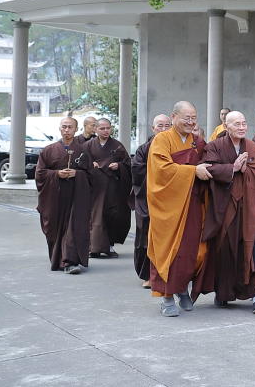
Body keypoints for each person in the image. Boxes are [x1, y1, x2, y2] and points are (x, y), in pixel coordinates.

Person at [196, 111, 255, 314]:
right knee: (226, 249)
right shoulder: (215, 146)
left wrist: (246, 169)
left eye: (244, 123)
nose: (242, 127)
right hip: (226, 208)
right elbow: (208, 168)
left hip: (251, 208)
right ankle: (224, 292)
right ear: (226, 126)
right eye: (237, 124)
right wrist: (233, 168)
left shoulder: (252, 146)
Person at [146, 101, 210, 317]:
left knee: (191, 251)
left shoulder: (197, 142)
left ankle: (182, 288)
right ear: (173, 117)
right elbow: (161, 170)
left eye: (194, 118)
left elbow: (211, 161)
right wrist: (193, 171)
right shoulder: (161, 140)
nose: (191, 122)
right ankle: (166, 297)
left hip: (192, 204)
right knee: (168, 251)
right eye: (186, 118)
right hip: (168, 207)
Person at [35, 117, 92, 274]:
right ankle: (58, 259)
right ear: (59, 128)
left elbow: (91, 175)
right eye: (64, 127)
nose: (67, 130)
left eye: (70, 127)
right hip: (54, 197)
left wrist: (77, 174)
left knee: (73, 228)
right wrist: (56, 174)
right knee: (55, 228)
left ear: (76, 129)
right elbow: (40, 174)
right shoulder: (48, 150)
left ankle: (70, 262)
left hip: (76, 197)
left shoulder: (83, 151)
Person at [131, 113, 172, 288]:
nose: (163, 129)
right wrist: (159, 174)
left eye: (167, 126)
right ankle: (148, 275)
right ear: (153, 128)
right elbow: (137, 171)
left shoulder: (175, 147)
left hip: (170, 199)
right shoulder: (143, 149)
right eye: (159, 126)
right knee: (145, 237)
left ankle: (169, 274)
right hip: (147, 199)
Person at [86, 118, 132, 258]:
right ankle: (93, 248)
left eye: (108, 128)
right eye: (102, 128)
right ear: (95, 129)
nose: (106, 131)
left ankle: (109, 247)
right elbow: (81, 162)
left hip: (112, 187)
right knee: (95, 216)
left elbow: (128, 164)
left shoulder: (117, 145)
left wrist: (119, 166)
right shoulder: (88, 145)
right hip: (95, 187)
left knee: (111, 215)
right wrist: (90, 164)